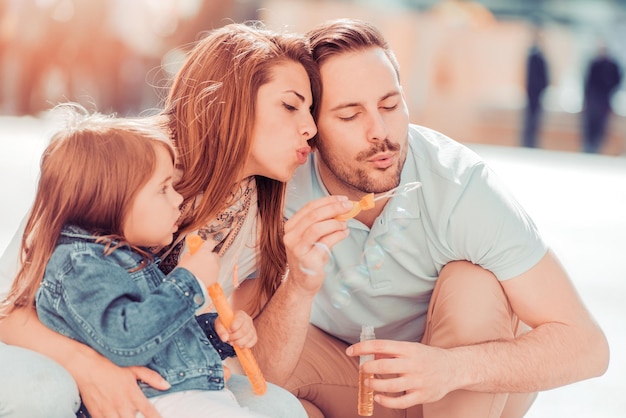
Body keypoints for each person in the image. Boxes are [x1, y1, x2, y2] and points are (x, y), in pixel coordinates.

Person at [0, 22, 350, 417]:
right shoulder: (121, 162)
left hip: (153, 366)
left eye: (310, 110)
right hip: (38, 349)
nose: (311, 128)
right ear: (231, 100)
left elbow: (260, 371)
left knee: (279, 407)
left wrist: (291, 292)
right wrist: (89, 369)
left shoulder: (254, 213)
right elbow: (7, 308)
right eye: (290, 105)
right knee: (43, 390)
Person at [279, 18, 609, 418]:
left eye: (390, 104)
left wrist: (451, 369)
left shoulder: (459, 185)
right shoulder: (282, 184)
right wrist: (295, 285)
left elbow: (588, 346)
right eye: (350, 116)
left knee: (474, 281)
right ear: (311, 128)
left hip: (459, 387)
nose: (380, 132)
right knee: (252, 352)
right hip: (352, 379)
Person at [3, 104, 266, 418]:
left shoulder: (126, 259)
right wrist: (188, 282)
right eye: (163, 188)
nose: (178, 198)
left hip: (184, 398)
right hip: (159, 403)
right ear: (113, 198)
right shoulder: (81, 265)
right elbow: (125, 341)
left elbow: (159, 337)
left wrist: (216, 332)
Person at [581, 42, 622, 153]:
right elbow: (587, 84)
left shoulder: (612, 65)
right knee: (590, 127)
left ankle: (596, 149)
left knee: (601, 128)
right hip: (593, 101)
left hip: (604, 101)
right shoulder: (594, 64)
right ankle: (588, 149)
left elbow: (617, 81)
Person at [521, 27, 549, 148]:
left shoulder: (538, 53)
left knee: (535, 117)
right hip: (533, 91)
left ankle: (531, 141)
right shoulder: (533, 53)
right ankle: (528, 142)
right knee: (531, 117)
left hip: (537, 91)